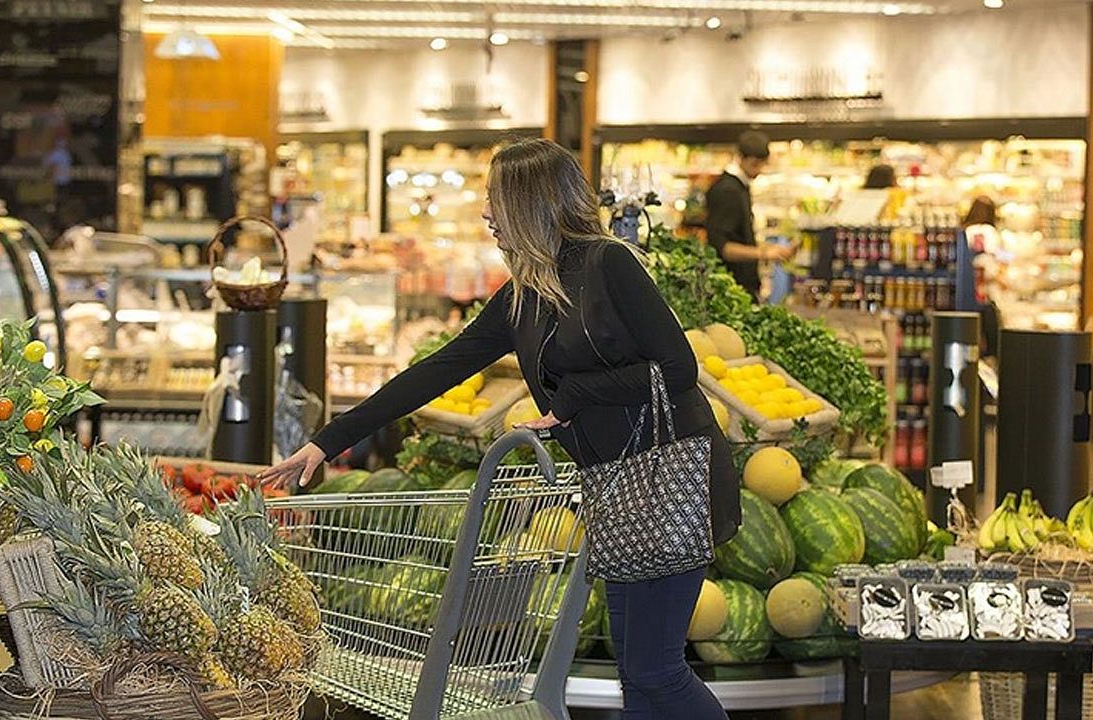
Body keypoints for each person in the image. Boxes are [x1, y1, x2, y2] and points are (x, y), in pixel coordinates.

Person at [260, 138, 739, 720]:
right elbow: (433, 372)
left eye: (495, 200)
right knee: (639, 677)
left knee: (655, 671)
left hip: (671, 482)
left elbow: (679, 367)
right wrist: (327, 440)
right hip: (616, 491)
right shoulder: (522, 299)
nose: (486, 213)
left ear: (530, 204)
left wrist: (574, 398)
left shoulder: (609, 264)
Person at [705, 130, 796, 299]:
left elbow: (737, 236)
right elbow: (723, 247)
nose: (759, 170)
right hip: (730, 289)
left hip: (736, 287)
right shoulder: (728, 191)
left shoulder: (739, 186)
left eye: (762, 164)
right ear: (739, 157)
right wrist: (763, 253)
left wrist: (767, 248)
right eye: (754, 164)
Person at [963, 196, 1002, 359]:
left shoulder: (965, 231)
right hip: (987, 290)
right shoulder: (990, 232)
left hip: (967, 289)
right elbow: (999, 258)